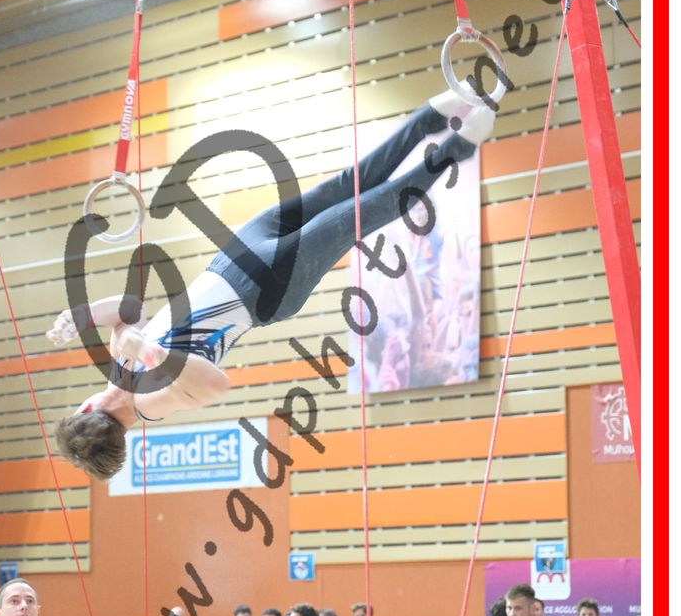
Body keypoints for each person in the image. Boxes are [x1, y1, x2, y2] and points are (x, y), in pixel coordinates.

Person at [48, 93, 495, 479]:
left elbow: (129, 307)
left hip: (232, 258)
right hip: (266, 290)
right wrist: (151, 352)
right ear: (86, 409)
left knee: (342, 188)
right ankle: (456, 149)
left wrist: (81, 315)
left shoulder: (119, 365)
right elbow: (215, 385)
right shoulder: (151, 403)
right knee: (360, 212)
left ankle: (429, 118)